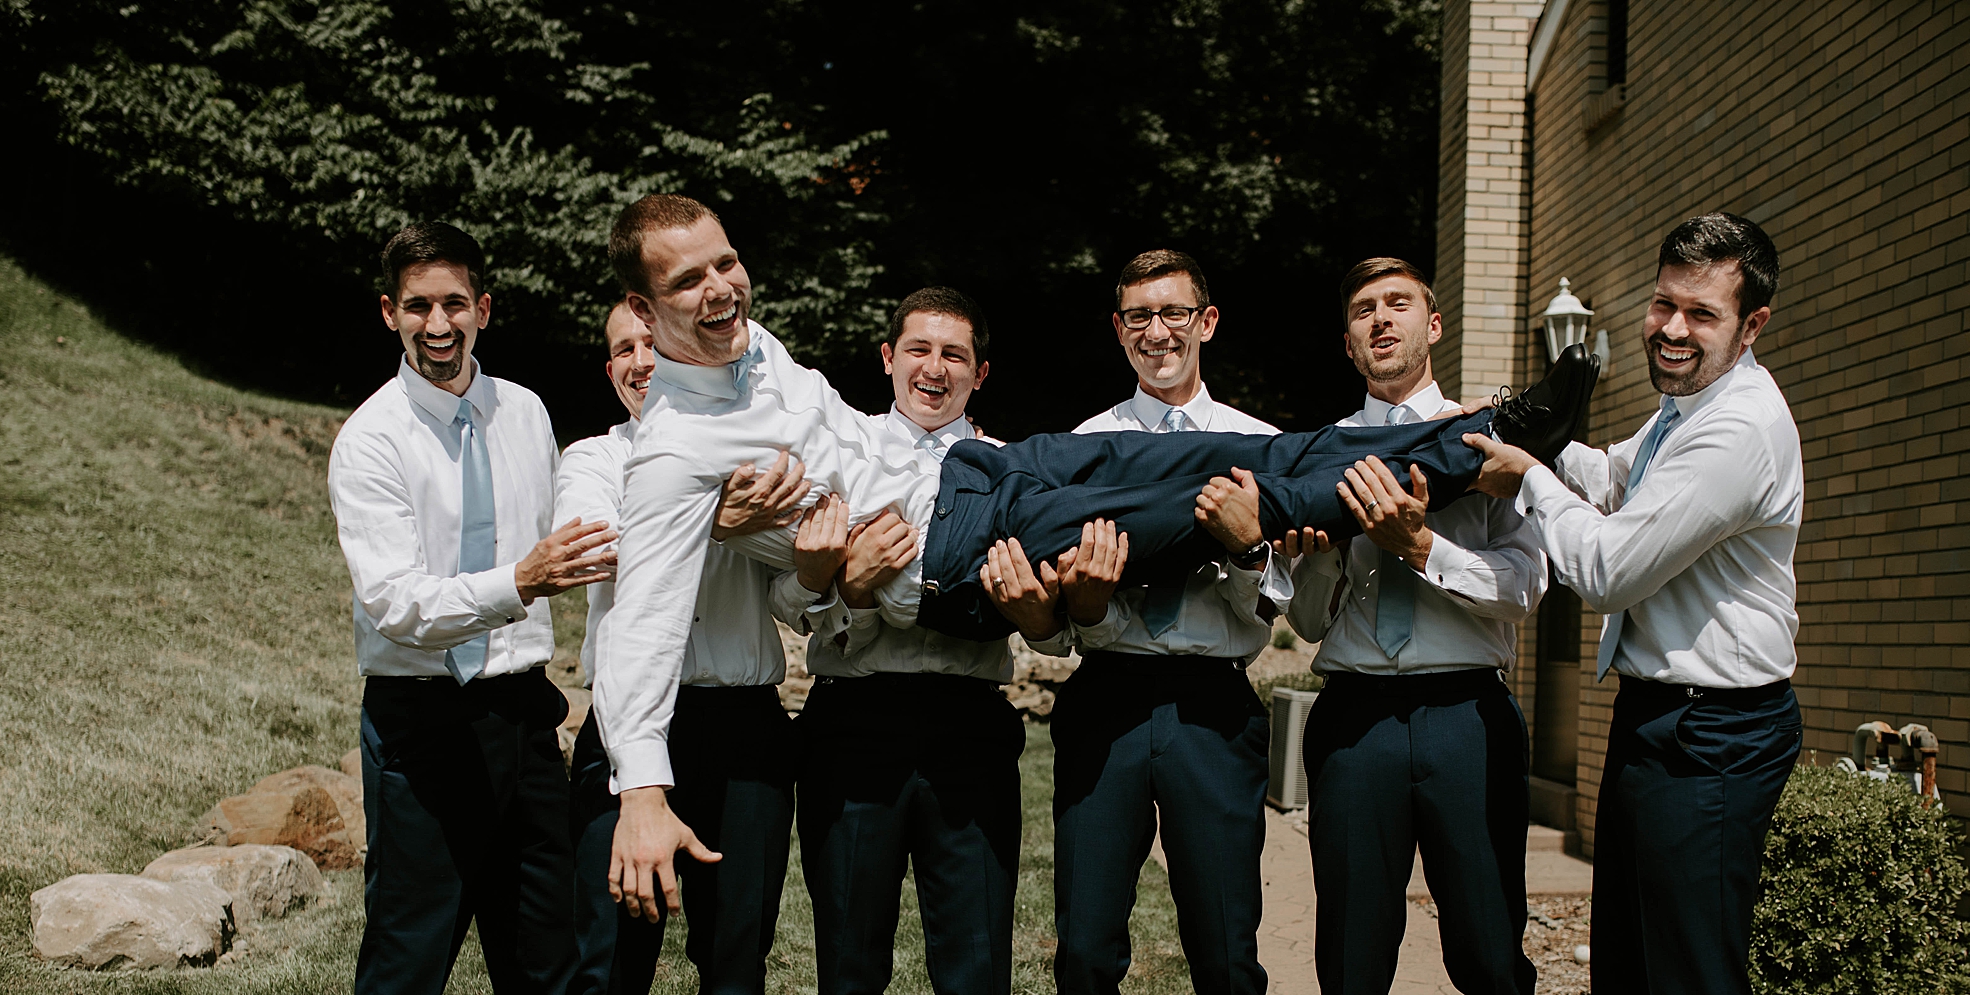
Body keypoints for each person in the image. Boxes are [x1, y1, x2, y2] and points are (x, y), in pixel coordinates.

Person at [593, 193, 1596, 935]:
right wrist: (641, 791)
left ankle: (1484, 424)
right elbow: (641, 619)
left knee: (1241, 450)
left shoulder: (752, 348)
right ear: (644, 304)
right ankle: (1486, 450)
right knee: (1231, 497)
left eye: (726, 263)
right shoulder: (673, 452)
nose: (720, 289)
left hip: (982, 474)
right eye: (688, 282)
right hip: (952, 558)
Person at [1468, 213, 1800, 995]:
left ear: (1751, 325)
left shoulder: (1739, 430)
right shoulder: (1684, 409)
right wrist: (1528, 434)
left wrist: (1524, 477)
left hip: (1717, 738)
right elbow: (1613, 475)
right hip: (1658, 722)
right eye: (1663, 302)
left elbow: (1606, 565)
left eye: (1701, 312)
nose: (1671, 327)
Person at [981, 247, 1287, 995]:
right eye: (1136, 317)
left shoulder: (1254, 444)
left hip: (1210, 704)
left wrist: (1249, 546)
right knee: (1085, 951)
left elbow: (1281, 600)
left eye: (1173, 313)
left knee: (1226, 956)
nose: (1156, 332)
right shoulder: (1079, 449)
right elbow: (1062, 628)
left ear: (1207, 321)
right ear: (1118, 330)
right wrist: (1079, 592)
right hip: (1106, 701)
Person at [329, 221, 615, 995]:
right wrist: (519, 581)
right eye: (418, 305)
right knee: (408, 955)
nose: (438, 323)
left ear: (483, 308)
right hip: (423, 721)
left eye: (455, 303)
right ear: (389, 314)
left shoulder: (526, 412)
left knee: (545, 944)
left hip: (520, 712)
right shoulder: (370, 439)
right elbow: (398, 603)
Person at [545, 300, 832, 995]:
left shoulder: (752, 450)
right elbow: (599, 545)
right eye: (621, 347)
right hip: (632, 731)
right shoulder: (595, 459)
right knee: (606, 973)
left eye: (652, 343)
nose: (639, 360)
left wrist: (794, 552)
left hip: (745, 729)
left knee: (735, 971)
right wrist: (721, 519)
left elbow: (794, 590)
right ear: (610, 367)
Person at [1285, 258, 1547, 995]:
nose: (1380, 321)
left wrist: (1418, 543)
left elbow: (1524, 588)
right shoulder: (1321, 456)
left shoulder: (1485, 441)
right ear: (1347, 340)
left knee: (1490, 957)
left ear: (1432, 324)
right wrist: (1319, 551)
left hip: (1462, 716)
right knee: (1353, 958)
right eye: (1362, 311)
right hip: (1353, 717)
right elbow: (1309, 621)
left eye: (1397, 304)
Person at [792, 288, 1026, 995]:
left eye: (954, 354)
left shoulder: (1010, 470)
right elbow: (798, 602)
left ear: (980, 372)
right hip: (857, 720)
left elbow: (1034, 600)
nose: (934, 368)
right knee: (852, 963)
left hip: (970, 724)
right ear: (886, 357)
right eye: (918, 349)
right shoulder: (839, 457)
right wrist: (846, 591)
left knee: (975, 966)